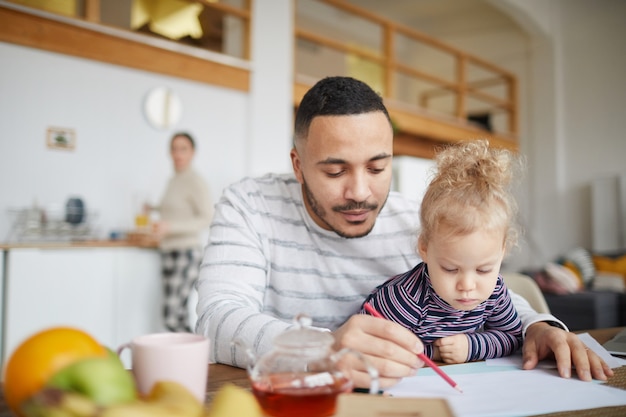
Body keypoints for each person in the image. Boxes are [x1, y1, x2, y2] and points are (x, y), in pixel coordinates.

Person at [196, 76, 612, 387]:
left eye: (378, 168)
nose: (360, 192)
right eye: (335, 170)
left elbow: (490, 294)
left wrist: (540, 326)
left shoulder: (416, 217)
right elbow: (216, 320)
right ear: (298, 164)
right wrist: (325, 349)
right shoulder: (249, 205)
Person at [360, 140, 523, 363]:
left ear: (502, 251)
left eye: (484, 270)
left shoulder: (494, 292)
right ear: (424, 248)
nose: (467, 285)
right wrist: (435, 354)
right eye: (450, 269)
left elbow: (513, 337)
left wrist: (471, 346)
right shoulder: (406, 299)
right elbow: (372, 346)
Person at [150, 132, 213, 332]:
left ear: (192, 153)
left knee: (171, 316)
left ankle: (196, 357)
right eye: (174, 149)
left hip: (186, 253)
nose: (178, 154)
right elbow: (175, 209)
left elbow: (206, 217)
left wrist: (170, 227)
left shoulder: (195, 181)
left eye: (183, 149)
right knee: (179, 314)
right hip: (168, 251)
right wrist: (152, 209)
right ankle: (189, 360)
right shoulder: (174, 180)